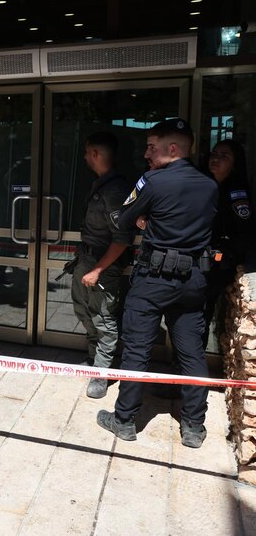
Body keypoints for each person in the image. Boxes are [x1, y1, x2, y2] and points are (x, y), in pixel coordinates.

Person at [96, 119, 217, 448]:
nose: (146, 154)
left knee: (137, 350)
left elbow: (122, 219)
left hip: (154, 278)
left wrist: (143, 220)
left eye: (152, 147)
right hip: (193, 279)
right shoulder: (209, 184)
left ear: (173, 148)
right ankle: (194, 427)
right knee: (192, 353)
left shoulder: (152, 180)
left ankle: (124, 420)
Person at [72, 132, 134, 399]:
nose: (85, 157)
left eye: (87, 152)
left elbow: (122, 239)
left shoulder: (115, 190)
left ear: (96, 154)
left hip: (103, 265)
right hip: (86, 259)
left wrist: (98, 270)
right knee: (83, 311)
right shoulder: (101, 184)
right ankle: (93, 359)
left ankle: (101, 373)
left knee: (104, 318)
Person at [203, 139, 251, 347]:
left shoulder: (236, 192)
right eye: (214, 153)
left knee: (205, 315)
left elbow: (244, 233)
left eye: (224, 156)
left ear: (234, 163)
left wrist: (225, 253)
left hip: (217, 265)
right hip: (194, 260)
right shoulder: (201, 183)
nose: (216, 159)